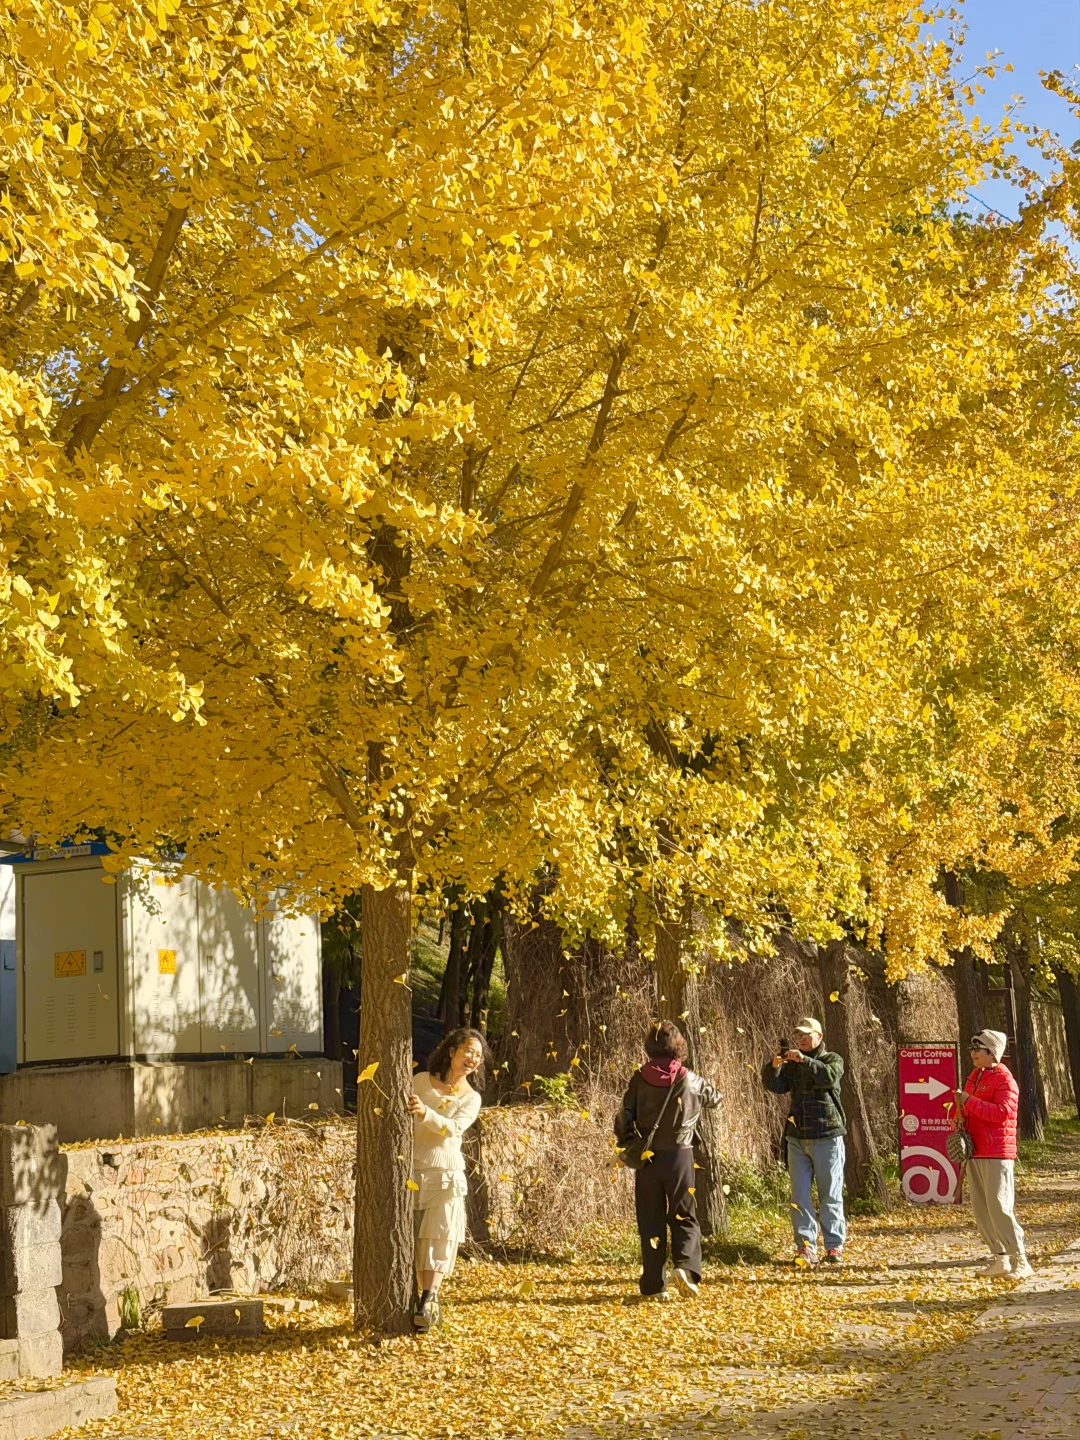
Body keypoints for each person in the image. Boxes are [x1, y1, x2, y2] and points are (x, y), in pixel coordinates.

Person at [616, 1020, 722, 1300]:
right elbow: (716, 1098)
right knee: (684, 1213)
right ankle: (686, 1267)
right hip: (681, 1155)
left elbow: (623, 1116)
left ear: (649, 1047)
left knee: (650, 1219)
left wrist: (627, 1145)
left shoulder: (639, 1077)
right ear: (679, 1046)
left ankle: (653, 1285)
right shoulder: (690, 1078)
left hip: (647, 1158)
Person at [406, 1026, 487, 1330]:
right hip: (412, 1169)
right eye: (468, 1051)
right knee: (411, 1238)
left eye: (477, 1056)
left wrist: (425, 1113)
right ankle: (411, 1297)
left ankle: (428, 1302)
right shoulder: (420, 1081)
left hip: (446, 1174)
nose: (472, 1059)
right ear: (452, 1052)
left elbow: (452, 1129)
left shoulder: (471, 1099)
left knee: (438, 1236)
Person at [762, 1016, 846, 1265]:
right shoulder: (793, 1064)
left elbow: (828, 1076)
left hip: (827, 1137)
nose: (801, 1039)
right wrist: (774, 1066)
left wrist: (804, 1060)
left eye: (806, 1035)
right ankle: (806, 1247)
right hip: (797, 1139)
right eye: (798, 1036)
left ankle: (834, 1247)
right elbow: (776, 1086)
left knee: (829, 1194)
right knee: (799, 1196)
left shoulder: (832, 1059)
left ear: (818, 1037)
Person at [956, 1029, 1032, 1279]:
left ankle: (1020, 1259)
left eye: (978, 1048)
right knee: (981, 1208)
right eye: (972, 1048)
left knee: (999, 1205)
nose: (973, 1053)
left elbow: (1001, 1113)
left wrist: (968, 1102)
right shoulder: (974, 1077)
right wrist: (956, 1115)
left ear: (993, 1052)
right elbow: (969, 1110)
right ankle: (1000, 1258)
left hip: (997, 1151)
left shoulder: (1005, 1080)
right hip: (975, 1151)